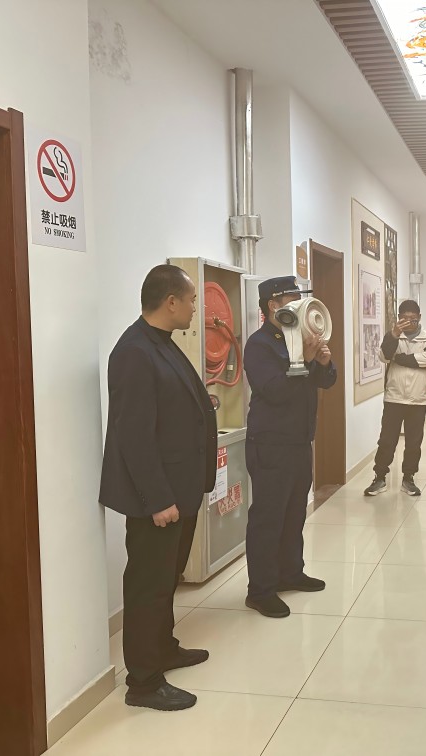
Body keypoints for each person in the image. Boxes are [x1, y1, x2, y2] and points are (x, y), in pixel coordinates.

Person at [100, 264, 218, 712]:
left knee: (168, 578)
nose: (194, 308)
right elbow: (133, 434)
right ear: (170, 302)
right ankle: (144, 681)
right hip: (158, 497)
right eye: (191, 300)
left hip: (179, 489)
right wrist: (159, 499)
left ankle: (163, 648)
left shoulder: (162, 343)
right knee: (148, 585)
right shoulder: (134, 351)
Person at [243, 276, 337, 619]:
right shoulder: (260, 345)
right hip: (271, 443)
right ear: (273, 304)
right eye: (292, 297)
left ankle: (290, 572)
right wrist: (305, 361)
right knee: (268, 517)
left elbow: (326, 380)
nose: (299, 303)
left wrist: (322, 362)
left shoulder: (298, 336)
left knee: (295, 511)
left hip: (299, 440)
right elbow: (275, 390)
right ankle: (260, 590)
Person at [364, 299, 426, 497]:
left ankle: (408, 478)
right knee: (387, 440)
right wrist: (394, 335)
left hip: (418, 399)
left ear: (419, 317)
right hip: (394, 397)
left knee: (414, 442)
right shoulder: (393, 336)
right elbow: (384, 356)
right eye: (405, 318)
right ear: (399, 318)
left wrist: (399, 358)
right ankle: (379, 477)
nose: (409, 322)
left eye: (413, 319)